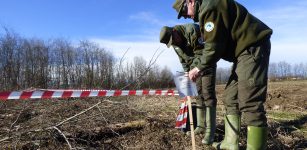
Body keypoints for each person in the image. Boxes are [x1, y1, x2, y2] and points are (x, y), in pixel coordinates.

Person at [172, 0, 273, 149]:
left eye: (184, 11)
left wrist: (198, 69)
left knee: (249, 100)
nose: (185, 16)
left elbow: (213, 47)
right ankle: (230, 143)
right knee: (230, 97)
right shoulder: (204, 12)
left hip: (252, 47)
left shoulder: (209, 8)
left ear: (191, 1)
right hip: (241, 54)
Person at [159, 23, 217, 145]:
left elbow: (202, 53)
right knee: (199, 95)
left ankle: (210, 131)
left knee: (207, 94)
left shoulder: (191, 30)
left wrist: (194, 69)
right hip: (192, 71)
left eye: (173, 39)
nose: (174, 42)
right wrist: (187, 74)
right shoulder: (175, 45)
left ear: (174, 31)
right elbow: (183, 60)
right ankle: (201, 126)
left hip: (206, 65)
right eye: (171, 42)